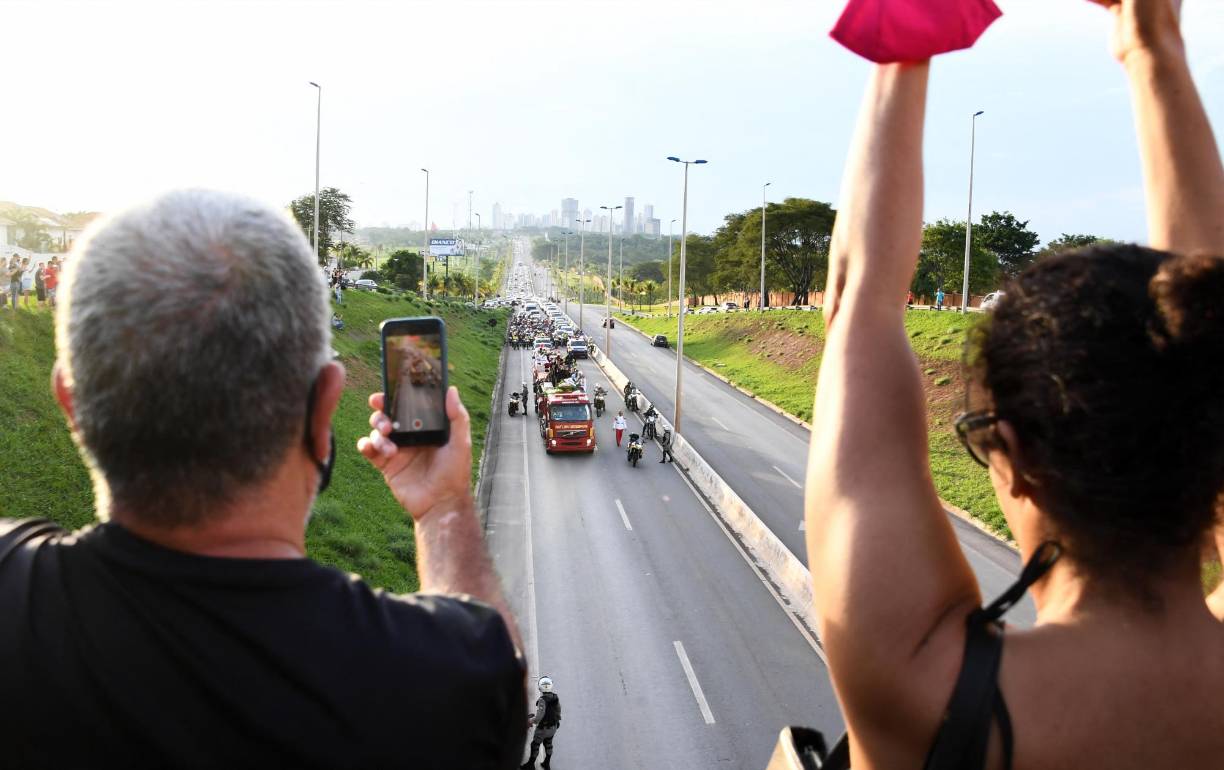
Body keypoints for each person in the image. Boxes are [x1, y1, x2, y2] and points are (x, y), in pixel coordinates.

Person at [803, 1, 1224, 767]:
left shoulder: (926, 694)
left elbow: (859, 298)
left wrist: (912, 28)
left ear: (1018, 455)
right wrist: (1154, 44)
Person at [0, 190, 526, 767]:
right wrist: (443, 509)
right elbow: (501, 684)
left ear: (70, 403)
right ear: (325, 409)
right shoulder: (440, 678)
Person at [520, 675, 561, 769]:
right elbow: (558, 711)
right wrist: (557, 721)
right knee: (548, 744)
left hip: (543, 729)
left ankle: (530, 765)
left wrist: (530, 721)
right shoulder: (555, 697)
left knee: (535, 745)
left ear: (540, 687)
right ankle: (547, 763)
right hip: (553, 727)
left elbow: (539, 717)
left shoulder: (542, 700)